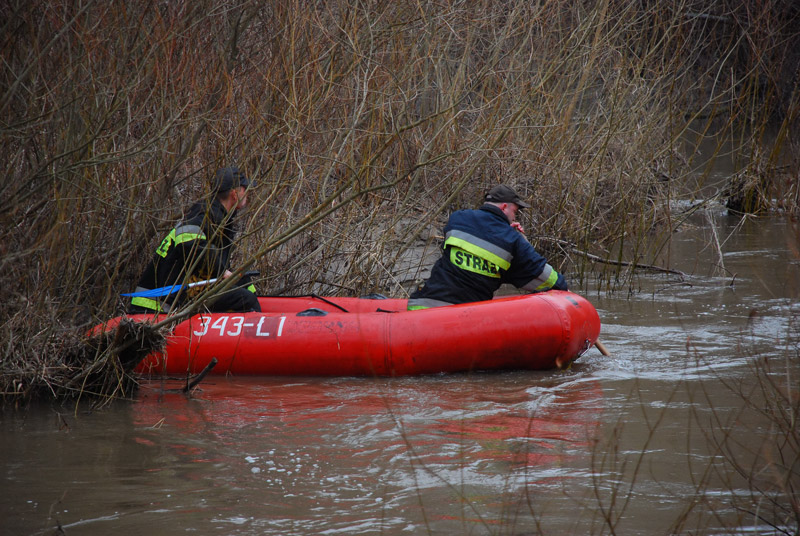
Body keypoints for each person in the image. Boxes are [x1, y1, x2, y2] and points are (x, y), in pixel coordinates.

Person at [408, 184, 568, 310]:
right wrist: (520, 240)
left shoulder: (457, 218)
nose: (515, 216)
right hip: (460, 317)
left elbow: (479, 240)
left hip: (422, 307)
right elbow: (548, 279)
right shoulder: (512, 239)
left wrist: (504, 231)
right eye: (515, 211)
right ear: (505, 207)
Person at [128, 166, 261, 314]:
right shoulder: (203, 214)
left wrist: (232, 276)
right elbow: (189, 242)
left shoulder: (220, 219)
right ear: (234, 194)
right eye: (244, 189)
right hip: (159, 305)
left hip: (188, 292)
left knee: (244, 283)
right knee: (245, 299)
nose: (248, 192)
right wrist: (221, 271)